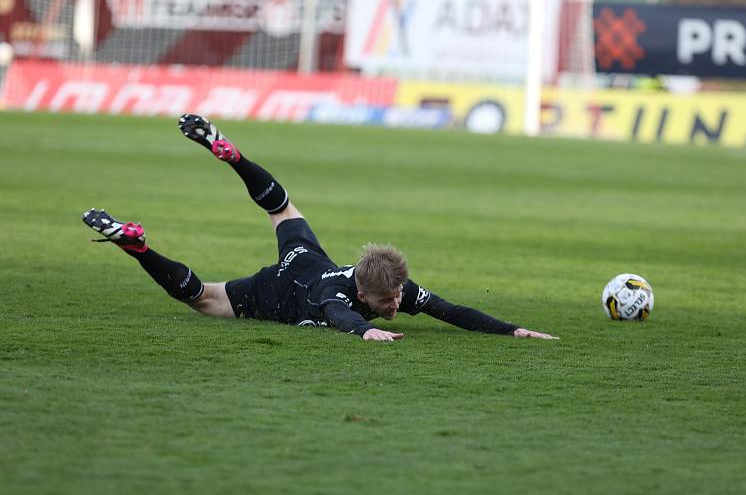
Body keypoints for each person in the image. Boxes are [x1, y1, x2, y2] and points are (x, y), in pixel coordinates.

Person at [82, 115, 559, 342]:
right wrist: (368, 335)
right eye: (388, 304)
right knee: (202, 299)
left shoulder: (388, 285)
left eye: (397, 298)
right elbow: (341, 317)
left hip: (309, 260)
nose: (398, 305)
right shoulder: (337, 301)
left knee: (283, 209)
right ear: (365, 293)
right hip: (278, 290)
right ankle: (138, 247)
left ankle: (232, 155)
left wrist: (513, 330)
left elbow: (451, 311)